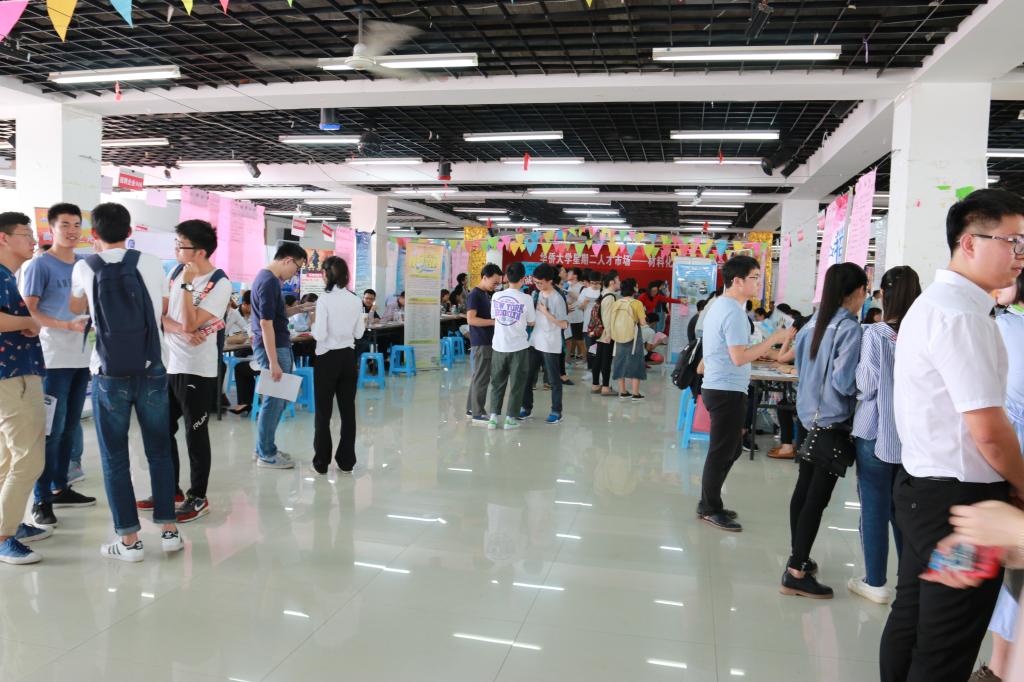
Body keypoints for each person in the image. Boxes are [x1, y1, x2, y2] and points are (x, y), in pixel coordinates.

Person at [880, 189, 1024, 682]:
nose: (1020, 255)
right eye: (1012, 241)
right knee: (945, 644)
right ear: (969, 242)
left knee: (912, 619)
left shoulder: (935, 304)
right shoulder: (963, 317)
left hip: (924, 490)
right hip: (962, 506)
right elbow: (989, 433)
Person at [69, 202, 183, 561]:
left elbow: (75, 308)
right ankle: (169, 531)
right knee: (159, 451)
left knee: (114, 457)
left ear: (93, 234)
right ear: (130, 232)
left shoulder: (84, 267)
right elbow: (162, 309)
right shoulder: (151, 262)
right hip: (152, 368)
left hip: (108, 373)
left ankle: (130, 541)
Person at [778, 262, 867, 599]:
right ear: (855, 292)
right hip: (831, 422)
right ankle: (796, 571)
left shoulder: (811, 324)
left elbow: (802, 370)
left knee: (804, 490)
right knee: (817, 497)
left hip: (808, 418)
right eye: (865, 290)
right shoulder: (849, 329)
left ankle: (798, 555)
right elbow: (844, 382)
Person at [698, 256, 789, 532]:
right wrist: (772, 340)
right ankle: (709, 507)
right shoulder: (733, 312)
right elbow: (739, 357)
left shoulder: (722, 306)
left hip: (723, 386)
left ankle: (710, 501)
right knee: (721, 451)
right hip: (725, 389)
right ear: (737, 281)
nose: (758, 283)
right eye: (755, 278)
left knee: (732, 448)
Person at [848, 265, 921, 604]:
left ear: (883, 295)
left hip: (876, 433)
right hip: (912, 437)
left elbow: (867, 384)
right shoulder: (923, 332)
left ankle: (875, 582)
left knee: (874, 507)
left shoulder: (876, 334)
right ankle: (910, 583)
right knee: (905, 510)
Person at [20, 203, 95, 528]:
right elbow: (29, 311)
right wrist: (65, 325)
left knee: (68, 427)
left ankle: (60, 487)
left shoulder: (84, 264)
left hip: (83, 357)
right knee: (51, 430)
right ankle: (41, 499)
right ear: (51, 229)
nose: (72, 230)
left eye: (77, 224)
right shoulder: (41, 265)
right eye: (65, 224)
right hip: (53, 358)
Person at [159, 219, 231, 524]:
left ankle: (198, 497)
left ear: (199, 251)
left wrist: (188, 287)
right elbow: (161, 316)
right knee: (162, 430)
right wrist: (181, 331)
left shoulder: (219, 283)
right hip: (169, 364)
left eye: (181, 245)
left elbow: (192, 322)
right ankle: (171, 490)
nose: (176, 250)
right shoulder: (174, 272)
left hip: (196, 370)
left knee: (195, 434)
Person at [0, 212, 51, 564]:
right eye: (25, 234)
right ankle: (4, 535)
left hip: (17, 372)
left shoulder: (9, 276)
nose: (33, 241)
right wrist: (29, 321)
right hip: (11, 376)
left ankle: (9, 521)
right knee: (29, 458)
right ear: (3, 238)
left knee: (7, 458)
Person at [251, 241, 308, 469]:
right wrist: (273, 361)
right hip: (273, 348)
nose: (295, 274)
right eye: (297, 268)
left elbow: (274, 315)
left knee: (279, 400)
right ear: (287, 260)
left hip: (278, 345)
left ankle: (265, 447)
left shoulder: (269, 280)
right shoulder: (268, 281)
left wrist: (296, 310)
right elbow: (265, 323)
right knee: (274, 402)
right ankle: (266, 454)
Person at [310, 257, 364, 475]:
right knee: (348, 411)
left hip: (327, 358)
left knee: (323, 413)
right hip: (348, 358)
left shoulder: (324, 300)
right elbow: (359, 333)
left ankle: (322, 461)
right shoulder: (355, 299)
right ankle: (346, 460)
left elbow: (320, 334)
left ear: (326, 274)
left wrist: (312, 325)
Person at [486, 262, 535, 431]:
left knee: (497, 383)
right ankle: (510, 419)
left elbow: (495, 317)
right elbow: (531, 321)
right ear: (523, 279)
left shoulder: (496, 296)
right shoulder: (527, 299)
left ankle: (493, 418)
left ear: (506, 277)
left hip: (499, 346)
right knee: (517, 384)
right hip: (518, 348)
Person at [522, 264, 568, 424]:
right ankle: (526, 407)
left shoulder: (557, 298)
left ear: (550, 281)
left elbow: (563, 324)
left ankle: (556, 411)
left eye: (540, 282)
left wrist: (546, 312)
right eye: (535, 282)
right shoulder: (536, 293)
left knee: (554, 380)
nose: (537, 285)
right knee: (528, 377)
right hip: (535, 341)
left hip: (550, 344)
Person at [466, 263, 502, 425]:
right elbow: (471, 319)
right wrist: (494, 322)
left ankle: (471, 408)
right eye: (494, 282)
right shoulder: (475, 294)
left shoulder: (485, 294)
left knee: (477, 377)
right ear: (485, 278)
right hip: (481, 341)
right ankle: (478, 413)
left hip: (486, 340)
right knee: (482, 378)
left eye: (498, 283)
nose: (496, 286)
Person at [608, 278, 649, 400]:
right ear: (634, 288)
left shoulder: (616, 303)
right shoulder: (637, 303)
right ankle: (635, 393)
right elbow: (643, 322)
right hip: (634, 336)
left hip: (618, 336)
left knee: (620, 361)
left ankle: (623, 391)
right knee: (636, 362)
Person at [590, 271, 619, 396]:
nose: (620, 282)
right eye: (618, 280)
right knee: (606, 360)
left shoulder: (603, 294)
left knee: (599, 359)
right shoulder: (610, 297)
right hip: (606, 334)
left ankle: (595, 385)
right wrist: (609, 335)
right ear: (612, 282)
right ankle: (606, 387)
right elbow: (607, 318)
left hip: (599, 332)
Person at [564, 267, 587, 364]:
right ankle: (568, 358)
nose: (567, 274)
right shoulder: (568, 285)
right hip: (568, 316)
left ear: (575, 275)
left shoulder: (581, 286)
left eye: (569, 273)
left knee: (579, 340)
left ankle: (585, 359)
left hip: (577, 317)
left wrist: (572, 296)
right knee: (570, 339)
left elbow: (583, 301)